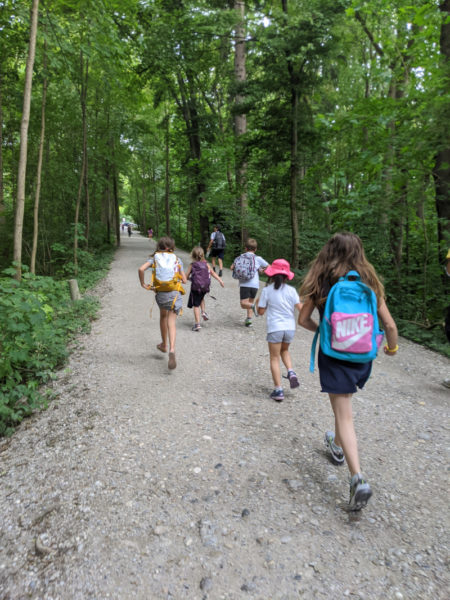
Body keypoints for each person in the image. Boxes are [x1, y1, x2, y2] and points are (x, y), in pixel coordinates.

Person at [298, 232, 398, 510]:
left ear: (328, 252)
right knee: (343, 405)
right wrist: (392, 349)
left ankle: (357, 478)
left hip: (334, 355)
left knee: (344, 414)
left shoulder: (322, 281)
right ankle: (337, 447)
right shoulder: (369, 283)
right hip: (362, 356)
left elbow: (303, 319)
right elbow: (389, 325)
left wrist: (326, 333)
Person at [256, 259, 302, 402]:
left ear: (271, 275)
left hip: (275, 328)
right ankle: (290, 371)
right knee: (285, 351)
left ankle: (278, 390)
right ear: (287, 276)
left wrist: (257, 305)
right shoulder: (292, 290)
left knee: (274, 358)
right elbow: (301, 308)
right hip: (289, 328)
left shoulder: (267, 290)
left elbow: (261, 312)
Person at [138, 236, 187, 370]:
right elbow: (184, 280)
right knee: (171, 322)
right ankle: (172, 348)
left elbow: (141, 269)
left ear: (159, 246)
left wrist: (143, 284)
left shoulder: (155, 258)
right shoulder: (177, 259)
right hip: (174, 294)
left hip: (161, 294)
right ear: (172, 247)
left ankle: (164, 345)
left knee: (163, 317)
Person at [231, 238, 268, 327]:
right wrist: (261, 270)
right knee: (250, 301)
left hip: (245, 284)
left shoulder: (239, 257)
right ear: (255, 249)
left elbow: (232, 267)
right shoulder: (258, 259)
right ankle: (249, 320)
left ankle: (254, 306)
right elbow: (269, 267)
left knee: (243, 304)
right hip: (255, 285)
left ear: (245, 248)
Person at [185, 246, 224, 331]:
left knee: (196, 306)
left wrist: (184, 279)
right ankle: (203, 312)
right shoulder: (206, 264)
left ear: (192, 255)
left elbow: (186, 276)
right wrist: (220, 280)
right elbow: (212, 273)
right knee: (201, 297)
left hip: (196, 287)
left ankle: (197, 324)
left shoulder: (192, 265)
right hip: (205, 287)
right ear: (202, 255)